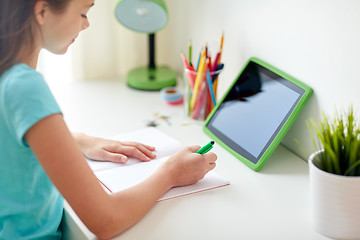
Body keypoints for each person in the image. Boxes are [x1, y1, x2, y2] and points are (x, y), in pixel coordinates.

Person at [0, 0, 217, 239]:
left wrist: (75, 140)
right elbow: (105, 220)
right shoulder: (25, 87)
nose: (87, 23)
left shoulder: (8, 77)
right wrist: (171, 172)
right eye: (83, 13)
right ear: (42, 11)